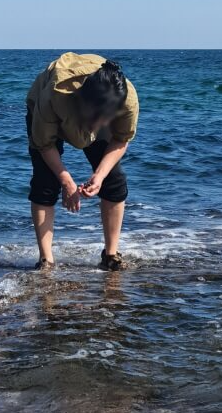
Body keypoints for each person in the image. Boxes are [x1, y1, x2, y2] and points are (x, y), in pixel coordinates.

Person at [26, 52, 139, 270]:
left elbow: (121, 139)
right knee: (45, 183)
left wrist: (99, 175)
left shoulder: (127, 101)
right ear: (83, 102)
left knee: (114, 181)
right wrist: (66, 181)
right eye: (95, 117)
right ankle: (46, 261)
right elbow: (45, 145)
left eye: (105, 118)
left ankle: (111, 255)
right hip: (47, 111)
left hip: (99, 106)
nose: (97, 124)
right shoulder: (54, 95)